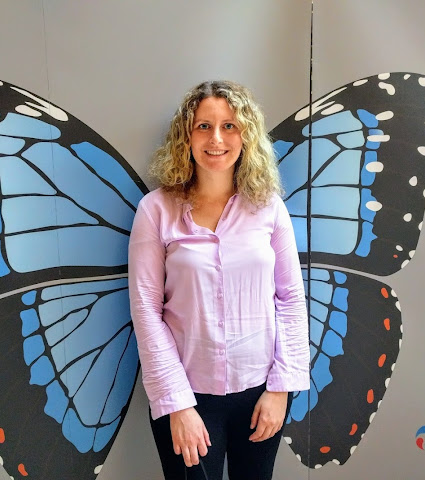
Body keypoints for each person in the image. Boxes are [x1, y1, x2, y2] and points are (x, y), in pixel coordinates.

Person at [128, 80, 310, 480]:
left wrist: (281, 390)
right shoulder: (155, 210)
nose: (216, 139)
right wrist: (178, 405)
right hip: (188, 398)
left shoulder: (269, 208)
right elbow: (146, 311)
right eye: (204, 126)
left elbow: (291, 300)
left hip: (261, 394)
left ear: (246, 136)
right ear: (186, 136)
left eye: (229, 126)